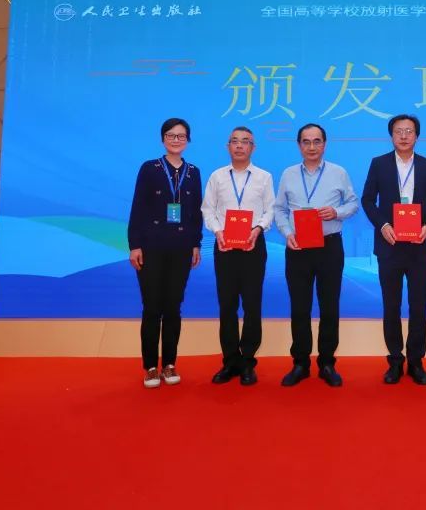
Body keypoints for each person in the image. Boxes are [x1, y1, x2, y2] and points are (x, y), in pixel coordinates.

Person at [361, 114, 426, 385]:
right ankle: (395, 361)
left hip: (420, 248)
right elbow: (367, 200)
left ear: (417, 136)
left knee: (418, 306)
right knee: (392, 305)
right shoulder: (378, 164)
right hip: (390, 246)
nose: (403, 136)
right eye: (398, 131)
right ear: (391, 135)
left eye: (409, 131)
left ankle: (416, 362)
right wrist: (383, 225)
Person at [273, 123, 360, 387]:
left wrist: (337, 212)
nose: (312, 147)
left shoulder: (338, 172)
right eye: (306, 141)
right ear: (299, 145)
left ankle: (327, 363)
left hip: (329, 247)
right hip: (298, 248)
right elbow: (279, 209)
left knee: (329, 306)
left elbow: (353, 203)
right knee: (299, 307)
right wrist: (287, 233)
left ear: (325, 144)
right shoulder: (288, 174)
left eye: (317, 141)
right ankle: (300, 363)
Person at [127, 118, 202, 389]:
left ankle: (169, 363)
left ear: (188, 141)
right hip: (151, 248)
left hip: (181, 249)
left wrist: (196, 244)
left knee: (173, 307)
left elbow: (195, 213)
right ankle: (150, 367)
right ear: (163, 139)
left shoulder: (193, 172)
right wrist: (134, 245)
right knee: (152, 307)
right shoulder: (150, 168)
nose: (176, 140)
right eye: (171, 135)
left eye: (181, 136)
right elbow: (138, 207)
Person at [201, 126, 275, 387]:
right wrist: (218, 231)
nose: (240, 145)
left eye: (245, 142)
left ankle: (248, 362)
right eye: (235, 141)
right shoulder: (217, 176)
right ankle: (230, 361)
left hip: (254, 245)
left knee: (252, 305)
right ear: (228, 146)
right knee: (227, 305)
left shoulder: (264, 177)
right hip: (224, 247)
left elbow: (270, 210)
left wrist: (258, 229)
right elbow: (207, 209)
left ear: (253, 147)